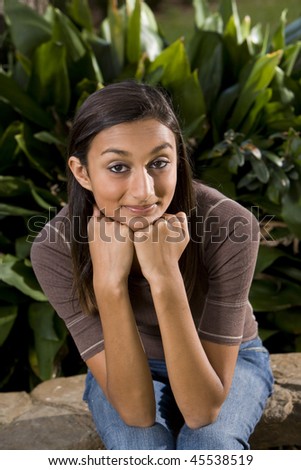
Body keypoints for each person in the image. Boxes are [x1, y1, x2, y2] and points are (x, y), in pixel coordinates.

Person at [30, 80, 274, 450]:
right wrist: (109, 286)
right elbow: (136, 414)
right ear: (81, 172)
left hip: (229, 359)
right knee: (137, 450)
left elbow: (202, 411)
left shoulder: (231, 226)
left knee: (210, 445)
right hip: (123, 362)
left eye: (159, 162)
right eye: (117, 167)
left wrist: (164, 275)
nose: (144, 190)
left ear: (178, 158)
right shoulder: (55, 248)